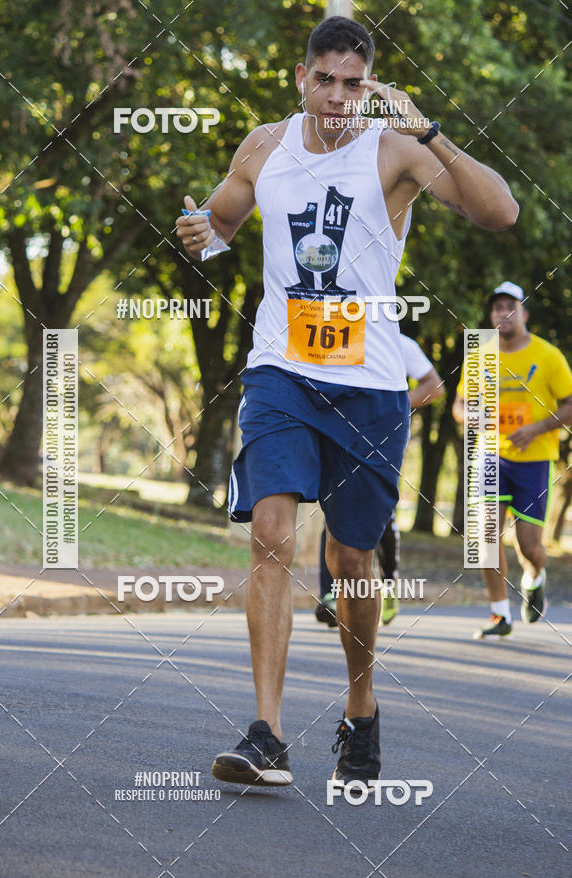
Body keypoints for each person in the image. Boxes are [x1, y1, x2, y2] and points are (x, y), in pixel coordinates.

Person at [176, 15, 518, 790]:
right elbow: (221, 223)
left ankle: (361, 705)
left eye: (352, 83)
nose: (336, 96)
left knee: (350, 560)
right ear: (302, 78)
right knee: (271, 531)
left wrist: (427, 129)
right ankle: (266, 734)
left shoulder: (395, 151)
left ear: (372, 88)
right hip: (281, 372)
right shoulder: (264, 145)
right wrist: (200, 231)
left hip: (368, 388)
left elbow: (499, 213)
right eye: (323, 79)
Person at [453, 281, 572, 639]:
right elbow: (459, 404)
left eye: (509, 306)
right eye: (495, 308)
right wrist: (468, 417)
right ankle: (499, 614)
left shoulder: (548, 356)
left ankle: (535, 575)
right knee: (485, 538)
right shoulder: (480, 356)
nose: (501, 313)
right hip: (489, 457)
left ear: (524, 313)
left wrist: (535, 429)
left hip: (534, 461)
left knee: (529, 546)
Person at [316, 334, 445, 628]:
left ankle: (388, 583)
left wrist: (392, 405)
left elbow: (434, 387)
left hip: (384, 439)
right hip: (341, 436)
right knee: (333, 509)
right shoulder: (338, 337)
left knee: (381, 515)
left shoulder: (402, 344)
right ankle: (331, 594)